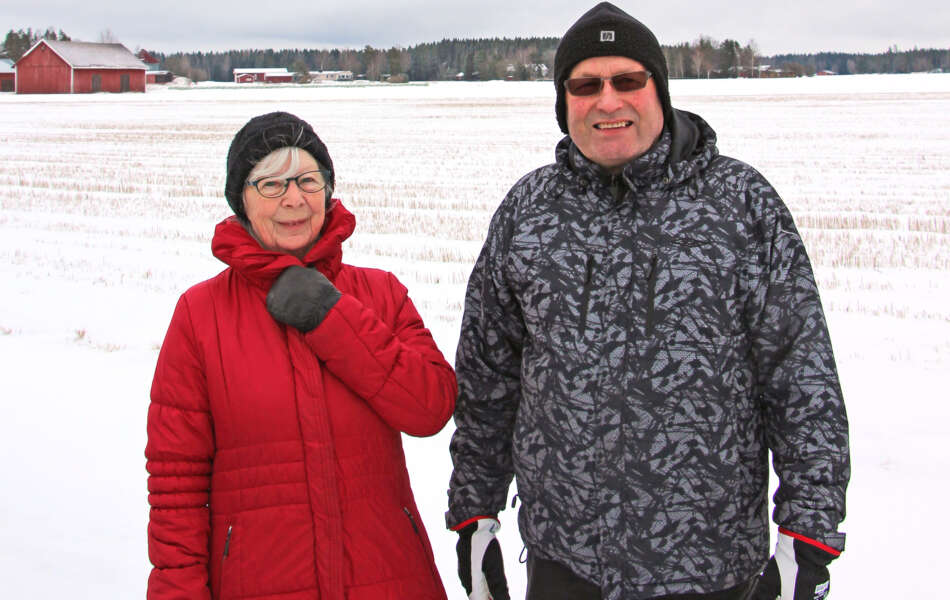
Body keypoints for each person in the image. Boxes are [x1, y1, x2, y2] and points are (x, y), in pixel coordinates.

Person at [446, 3, 850, 600]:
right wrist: (473, 515)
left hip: (710, 566)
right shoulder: (528, 213)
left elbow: (801, 379)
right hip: (564, 562)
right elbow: (487, 382)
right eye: (586, 85)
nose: (608, 101)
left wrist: (808, 539)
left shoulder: (740, 205)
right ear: (564, 103)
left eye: (627, 81)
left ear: (658, 90)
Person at [146, 111, 456, 600]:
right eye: (270, 184)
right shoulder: (200, 316)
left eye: (308, 181)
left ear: (328, 192)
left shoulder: (380, 294)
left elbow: (430, 407)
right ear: (241, 201)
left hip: (389, 578)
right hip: (259, 582)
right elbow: (175, 485)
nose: (294, 199)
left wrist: (332, 317)